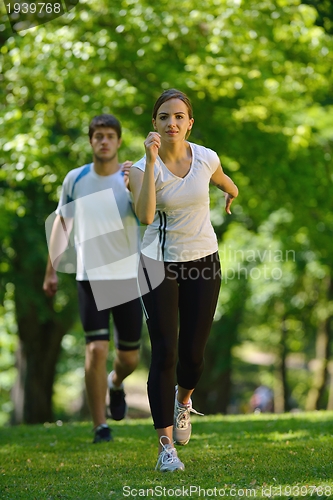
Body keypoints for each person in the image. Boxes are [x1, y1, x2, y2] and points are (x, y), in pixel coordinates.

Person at [130, 89, 239, 472]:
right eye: (164, 117)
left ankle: (183, 401)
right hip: (158, 264)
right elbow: (144, 216)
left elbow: (222, 179)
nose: (172, 123)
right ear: (154, 125)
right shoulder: (145, 169)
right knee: (165, 353)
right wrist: (149, 158)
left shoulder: (206, 157)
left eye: (179, 116)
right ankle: (165, 449)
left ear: (189, 123)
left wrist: (231, 192)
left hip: (203, 261)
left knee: (193, 355)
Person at [43, 114, 143, 444]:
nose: (104, 141)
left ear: (117, 141)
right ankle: (100, 426)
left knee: (129, 358)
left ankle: (116, 383)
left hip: (128, 277)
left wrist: (136, 184)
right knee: (96, 349)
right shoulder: (75, 179)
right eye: (98, 136)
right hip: (90, 277)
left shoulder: (131, 178)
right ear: (91, 141)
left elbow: (148, 215)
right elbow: (62, 223)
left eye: (110, 136)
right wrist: (52, 269)